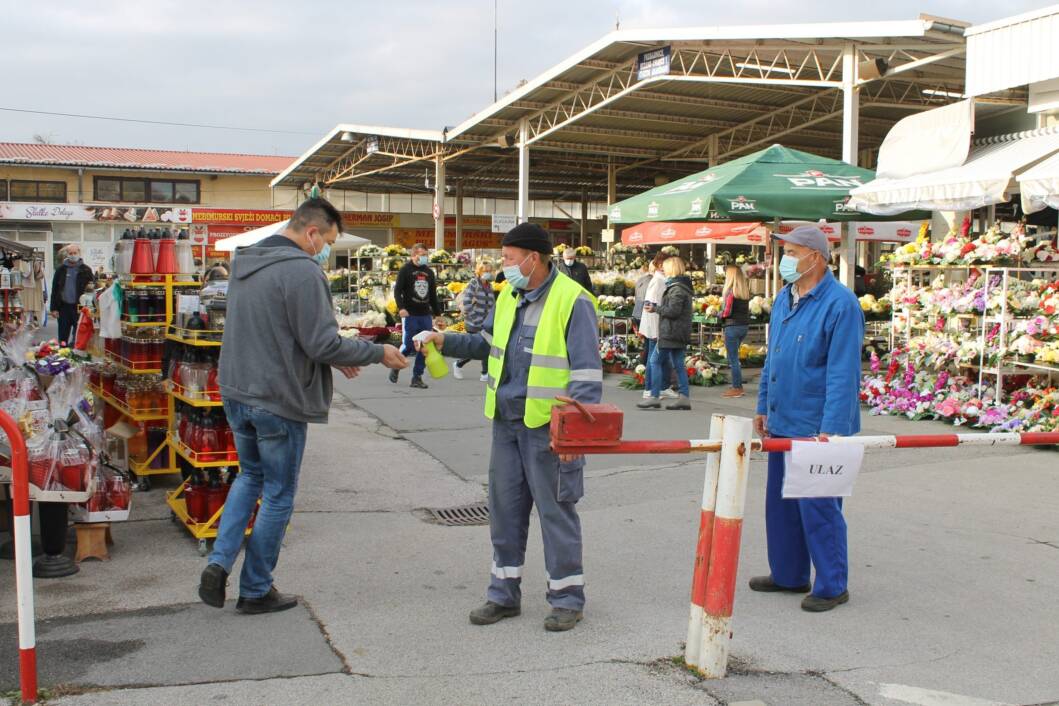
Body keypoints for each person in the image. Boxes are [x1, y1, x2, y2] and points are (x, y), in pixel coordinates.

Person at [198, 197, 408, 615]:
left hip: (239, 391)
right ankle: (255, 589)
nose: (325, 250)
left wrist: (334, 356)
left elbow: (284, 331)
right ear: (312, 233)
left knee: (248, 478)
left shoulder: (245, 264)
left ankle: (218, 562)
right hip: (279, 399)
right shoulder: (302, 271)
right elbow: (319, 341)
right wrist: (375, 352)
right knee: (278, 494)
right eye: (327, 241)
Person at [416, 223, 601, 632]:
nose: (504, 266)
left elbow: (587, 374)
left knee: (556, 513)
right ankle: (503, 594)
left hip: (548, 429)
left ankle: (567, 598)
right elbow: (486, 343)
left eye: (508, 258)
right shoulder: (509, 297)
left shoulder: (573, 301)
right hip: (507, 424)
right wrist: (443, 338)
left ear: (533, 259)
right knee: (504, 512)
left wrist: (574, 434)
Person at [751, 224, 864, 613]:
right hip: (784, 417)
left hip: (818, 425)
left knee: (818, 507)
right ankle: (789, 574)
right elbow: (774, 357)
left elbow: (842, 372)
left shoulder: (841, 304)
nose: (785, 260)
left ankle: (832, 584)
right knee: (781, 505)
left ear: (816, 256)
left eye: (793, 252)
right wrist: (764, 405)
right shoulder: (785, 297)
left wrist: (831, 430)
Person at [637, 256, 692, 411]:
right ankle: (684, 397)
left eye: (666, 268)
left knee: (654, 361)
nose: (663, 270)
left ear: (672, 269)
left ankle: (654, 396)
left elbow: (673, 311)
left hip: (670, 332)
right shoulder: (681, 286)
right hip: (678, 332)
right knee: (678, 365)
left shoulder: (677, 288)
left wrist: (656, 309)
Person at [391, 243, 441, 389]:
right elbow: (397, 291)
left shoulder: (429, 272)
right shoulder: (405, 270)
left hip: (425, 314)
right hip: (410, 314)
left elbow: (432, 294)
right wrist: (401, 308)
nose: (424, 257)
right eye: (421, 254)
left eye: (426, 255)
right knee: (408, 346)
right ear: (413, 255)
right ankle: (396, 365)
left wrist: (437, 314)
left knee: (425, 346)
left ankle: (417, 377)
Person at [636, 255, 676, 401]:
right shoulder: (658, 282)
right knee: (655, 359)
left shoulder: (661, 281)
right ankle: (649, 389)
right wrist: (655, 332)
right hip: (656, 328)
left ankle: (663, 387)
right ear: (660, 265)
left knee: (663, 359)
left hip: (658, 327)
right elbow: (649, 306)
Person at [454, 260, 496, 382]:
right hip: (474, 323)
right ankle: (458, 364)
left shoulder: (489, 285)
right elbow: (467, 303)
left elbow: (491, 304)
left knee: (486, 346)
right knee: (475, 348)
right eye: (485, 271)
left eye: (489, 271)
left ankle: (484, 373)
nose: (488, 273)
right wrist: (476, 319)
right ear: (479, 271)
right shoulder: (474, 283)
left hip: (485, 323)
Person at [50, 244, 95, 346]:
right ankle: (63, 357)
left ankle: (77, 358)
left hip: (80, 308)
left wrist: (91, 309)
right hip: (63, 307)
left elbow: (92, 290)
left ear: (79, 253)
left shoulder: (86, 270)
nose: (73, 255)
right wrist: (54, 308)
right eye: (71, 253)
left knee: (79, 336)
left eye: (75, 253)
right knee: (62, 338)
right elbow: (55, 289)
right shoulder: (60, 270)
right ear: (67, 254)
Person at [720, 265, 751, 399]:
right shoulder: (744, 292)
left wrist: (717, 314)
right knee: (735, 358)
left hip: (732, 327)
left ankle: (737, 387)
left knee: (733, 359)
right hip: (743, 327)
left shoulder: (730, 292)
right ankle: (736, 384)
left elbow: (727, 312)